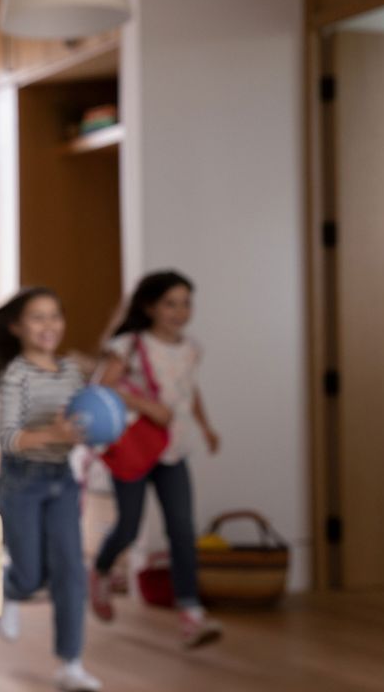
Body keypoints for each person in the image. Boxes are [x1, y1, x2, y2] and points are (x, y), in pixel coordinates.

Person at [0, 287, 101, 692]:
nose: (48, 325)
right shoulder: (15, 375)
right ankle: (7, 589)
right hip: (22, 482)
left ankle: (70, 664)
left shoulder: (71, 371)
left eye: (55, 316)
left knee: (71, 572)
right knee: (30, 574)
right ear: (17, 327)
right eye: (37, 317)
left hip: (61, 479)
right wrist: (52, 433)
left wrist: (86, 431)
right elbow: (7, 437)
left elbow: (81, 418)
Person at [89, 270, 223, 648]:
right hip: (135, 446)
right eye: (170, 303)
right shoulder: (129, 345)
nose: (180, 312)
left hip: (174, 449)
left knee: (182, 529)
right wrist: (145, 405)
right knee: (128, 527)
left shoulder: (191, 348)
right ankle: (99, 571)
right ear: (149, 307)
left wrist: (206, 427)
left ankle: (191, 613)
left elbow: (188, 390)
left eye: (185, 303)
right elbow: (102, 386)